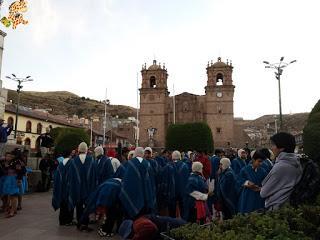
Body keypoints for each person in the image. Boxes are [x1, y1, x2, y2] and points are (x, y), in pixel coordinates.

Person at [260, 132, 303, 211]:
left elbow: (263, 192)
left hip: (278, 208)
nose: (271, 148)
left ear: (281, 148)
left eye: (273, 145)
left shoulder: (281, 166)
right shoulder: (296, 162)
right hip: (289, 206)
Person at [67, 142, 97, 231]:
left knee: (78, 206)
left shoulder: (73, 161)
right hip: (88, 189)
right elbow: (94, 175)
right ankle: (85, 223)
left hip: (76, 188)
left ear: (78, 149)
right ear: (87, 150)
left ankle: (79, 223)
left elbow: (70, 177)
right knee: (87, 206)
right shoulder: (91, 160)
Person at [119, 147, 156, 219]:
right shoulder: (147, 164)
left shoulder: (129, 163)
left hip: (131, 195)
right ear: (143, 154)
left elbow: (124, 180)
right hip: (145, 197)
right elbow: (151, 181)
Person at [52, 152, 74, 226]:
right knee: (69, 204)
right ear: (69, 156)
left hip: (61, 188)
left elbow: (57, 177)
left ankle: (62, 220)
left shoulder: (60, 165)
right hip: (69, 188)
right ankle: (69, 220)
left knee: (62, 205)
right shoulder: (71, 164)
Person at [168, 150, 189, 218]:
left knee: (172, 212)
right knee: (183, 211)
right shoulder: (185, 166)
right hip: (183, 191)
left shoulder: (168, 166)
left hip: (171, 191)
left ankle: (172, 226)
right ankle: (184, 225)